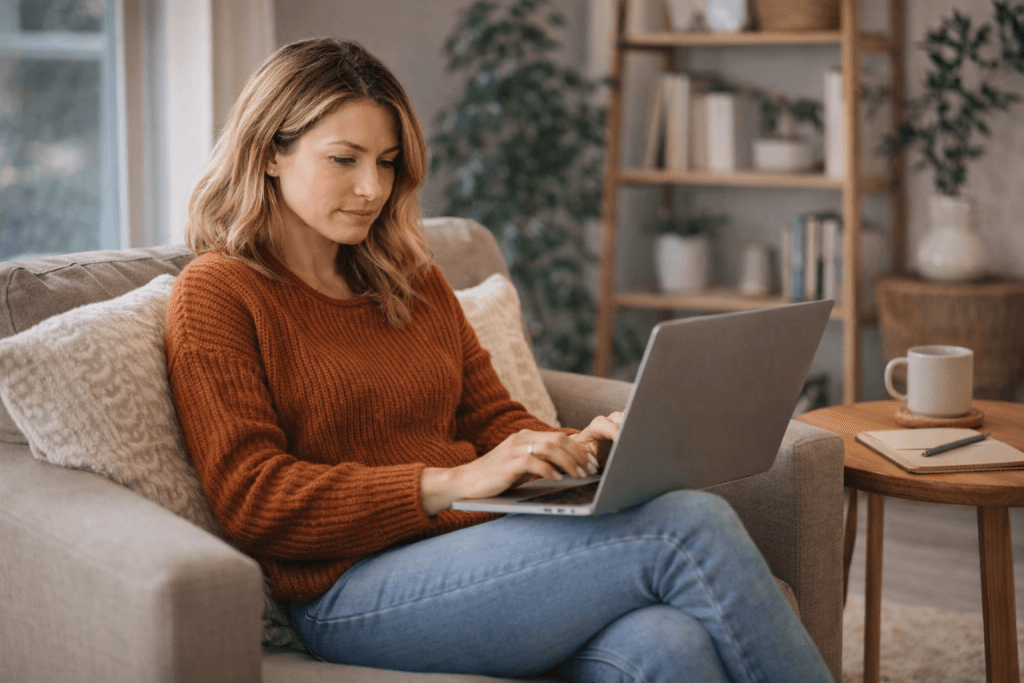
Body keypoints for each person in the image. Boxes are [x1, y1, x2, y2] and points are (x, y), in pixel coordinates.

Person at [165, 37, 833, 682]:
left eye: (388, 161)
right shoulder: (220, 292)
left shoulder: (410, 278)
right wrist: (452, 482)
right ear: (270, 154)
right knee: (688, 523)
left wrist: (580, 446)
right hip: (349, 591)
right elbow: (253, 497)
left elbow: (494, 418)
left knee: (669, 642)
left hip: (484, 547)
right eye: (345, 159)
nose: (371, 187)